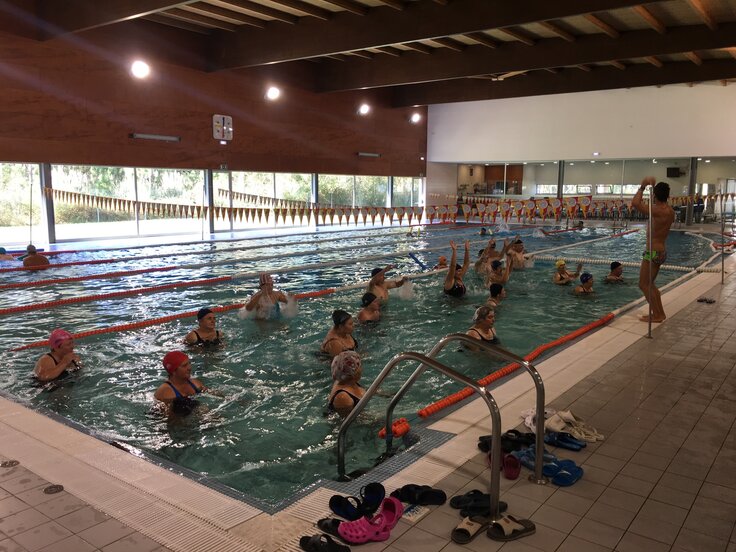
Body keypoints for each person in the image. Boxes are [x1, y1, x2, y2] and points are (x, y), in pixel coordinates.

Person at [632, 177, 675, 323]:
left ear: (655, 195)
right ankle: (659, 313)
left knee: (643, 284)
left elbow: (635, 203)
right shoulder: (670, 211)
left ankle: (658, 315)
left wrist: (642, 186)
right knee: (650, 284)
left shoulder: (657, 211)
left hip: (653, 253)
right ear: (667, 196)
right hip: (660, 251)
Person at [154, 351, 207, 415]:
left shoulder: (195, 384)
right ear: (173, 371)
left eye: (189, 363)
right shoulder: (165, 391)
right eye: (184, 366)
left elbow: (212, 394)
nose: (189, 368)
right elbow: (162, 417)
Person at [327, 351, 365, 417]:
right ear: (352, 372)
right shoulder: (343, 396)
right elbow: (349, 419)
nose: (362, 369)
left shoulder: (349, 382)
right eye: (359, 366)